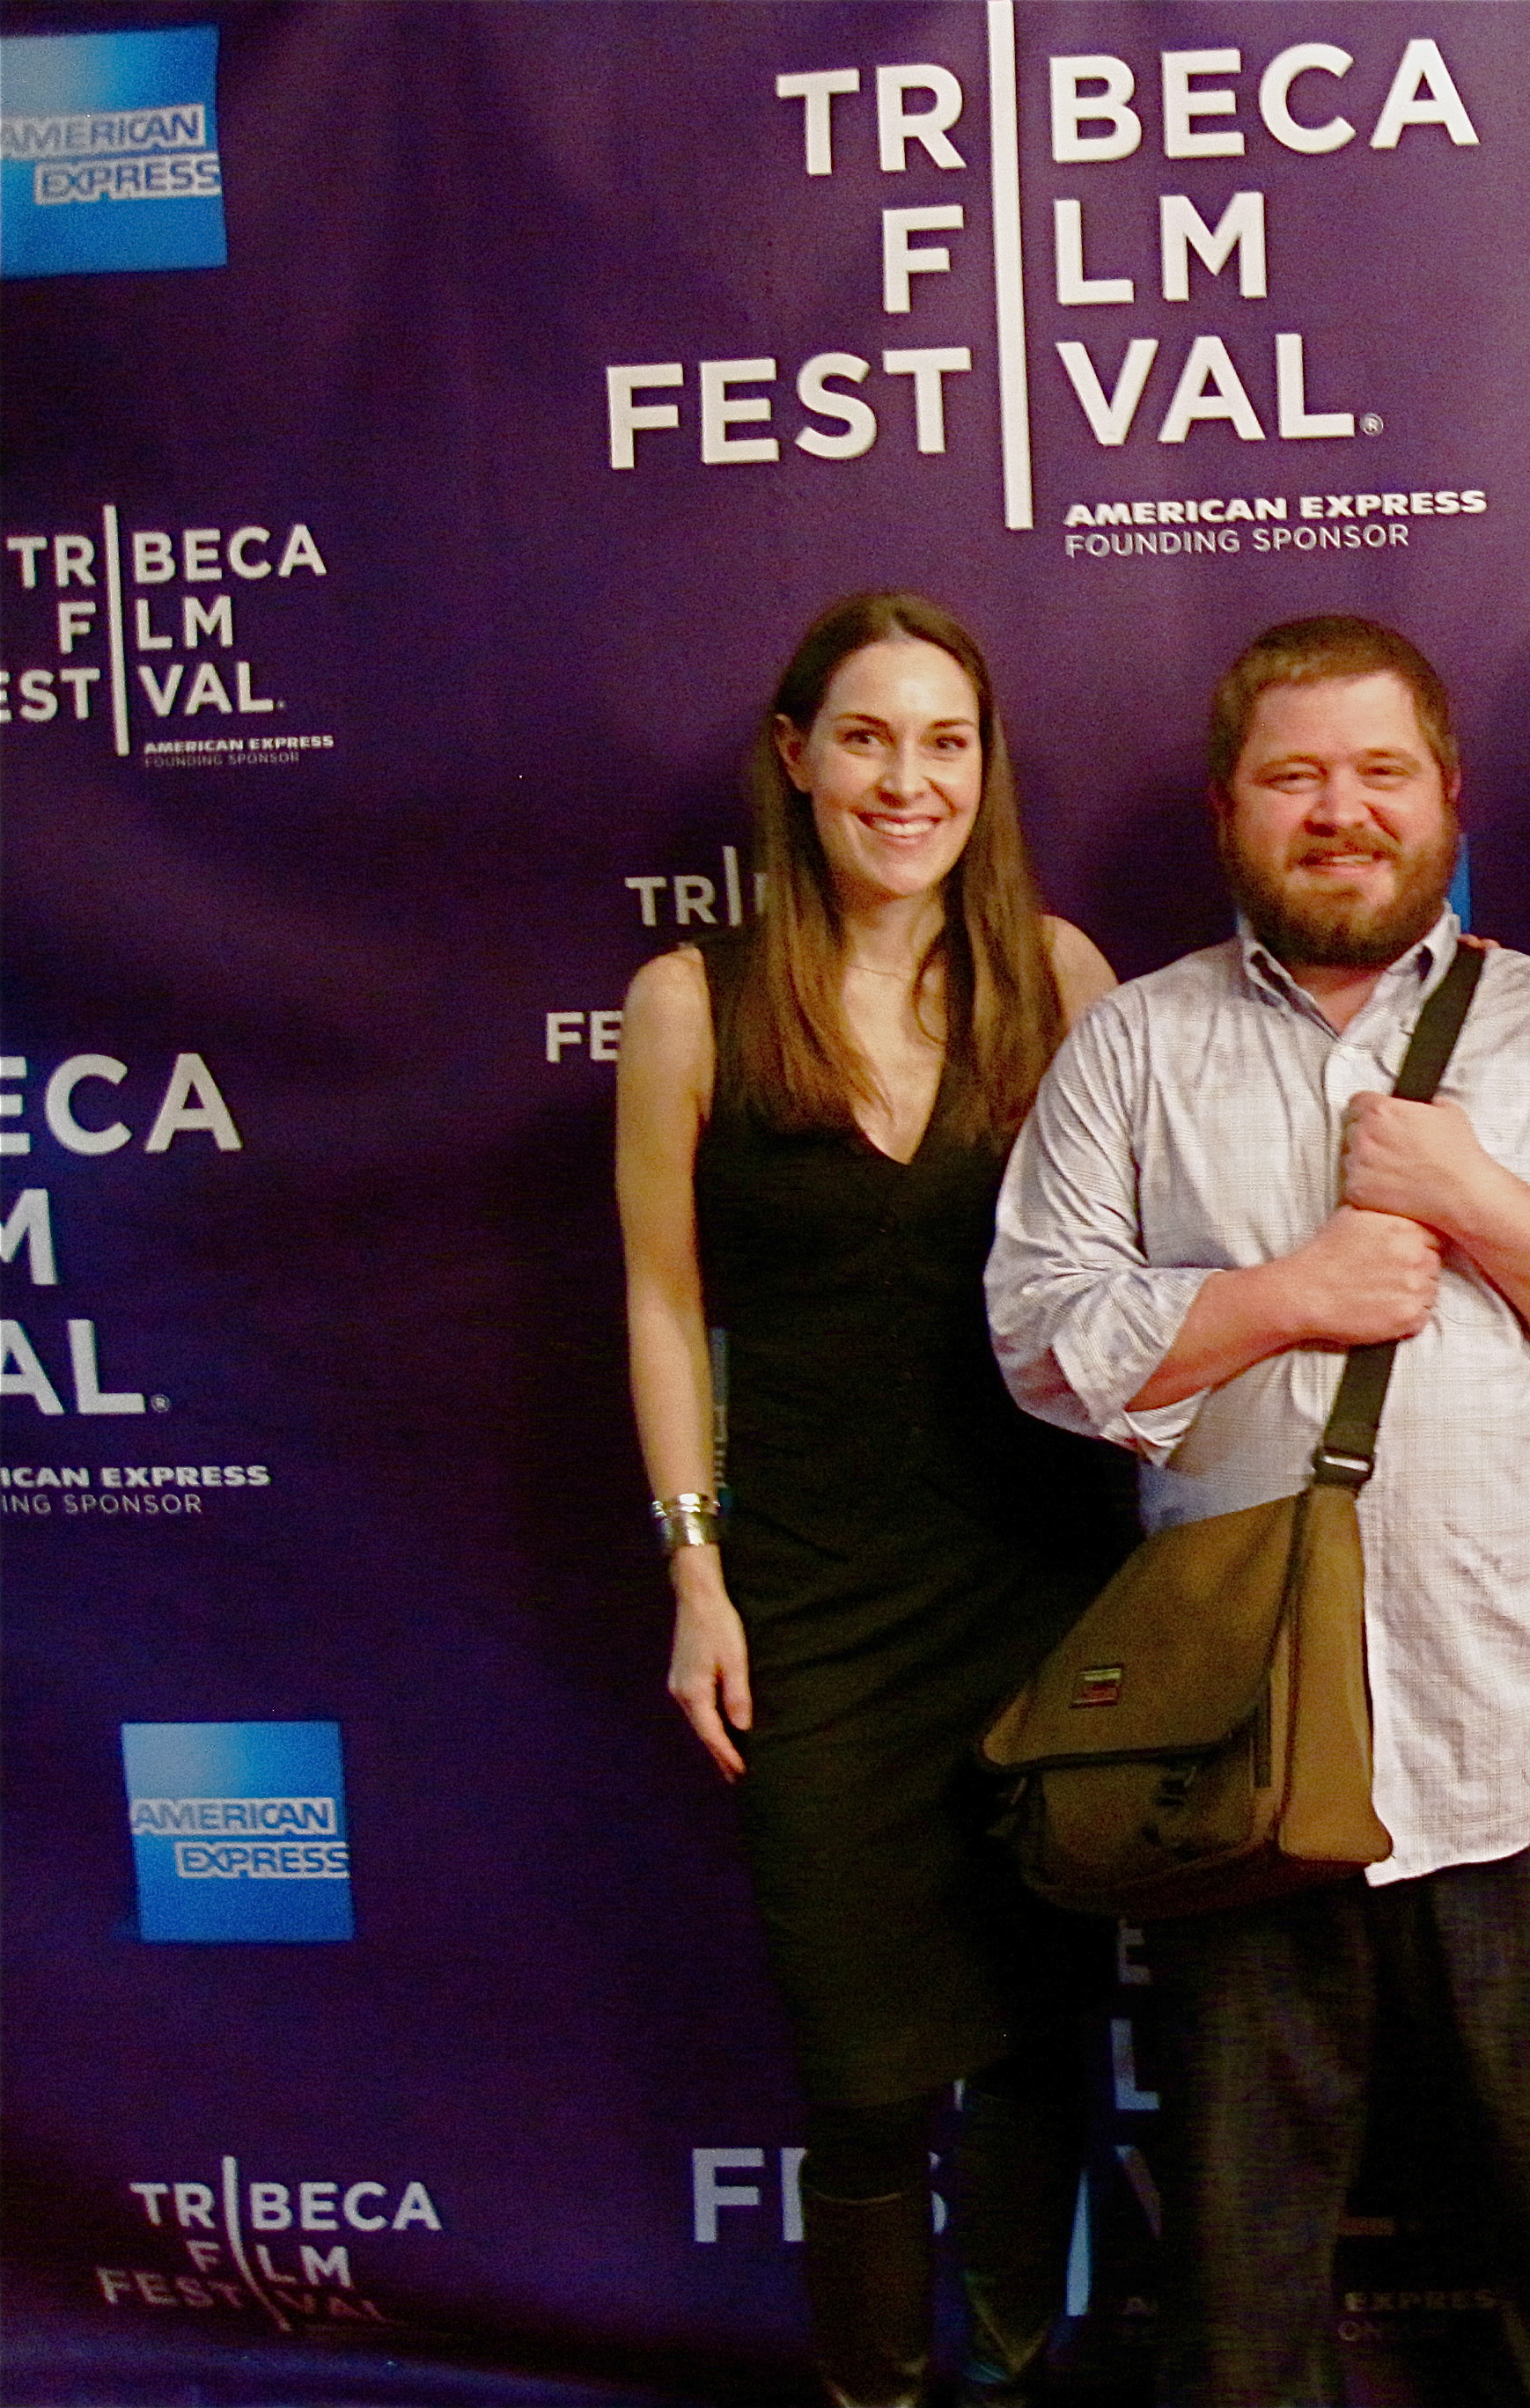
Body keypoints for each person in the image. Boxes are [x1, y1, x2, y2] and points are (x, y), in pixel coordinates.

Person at [985, 614, 1530, 2408]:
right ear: (1229, 809)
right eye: (1297, 777)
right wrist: (1284, 1294)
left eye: (1380, 773)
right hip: (1242, 1763)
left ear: (1449, 801)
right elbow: (1038, 1334)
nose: (1343, 812)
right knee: (1240, 2315)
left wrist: (1486, 1206)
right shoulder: (1133, 1050)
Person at [614, 591, 1129, 2408]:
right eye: (867, 738)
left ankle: (1013, 2365)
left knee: (1048, 2043)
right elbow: (669, 1305)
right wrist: (698, 1574)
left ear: (983, 774)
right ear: (795, 759)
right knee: (863, 2074)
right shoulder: (692, 1004)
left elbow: (1135, 1280)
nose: (907, 782)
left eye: (946, 744)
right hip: (817, 1611)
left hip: (1048, 1590)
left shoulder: (1058, 978)